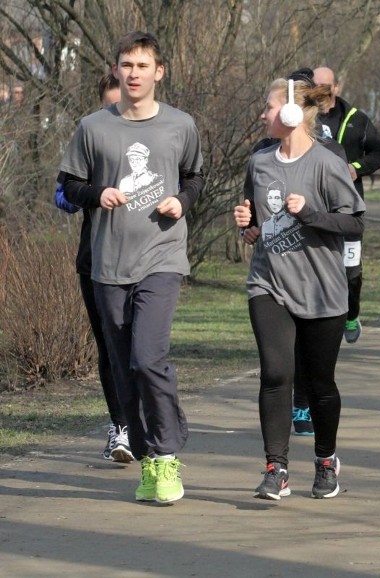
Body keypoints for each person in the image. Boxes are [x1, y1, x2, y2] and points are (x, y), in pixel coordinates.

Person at [59, 31, 204, 504]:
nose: (134, 73)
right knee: (122, 368)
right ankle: (147, 458)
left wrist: (181, 202)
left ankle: (166, 454)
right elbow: (68, 185)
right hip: (107, 262)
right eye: (127, 65)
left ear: (159, 72)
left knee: (147, 356)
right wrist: (94, 194)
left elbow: (194, 178)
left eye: (143, 66)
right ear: (117, 70)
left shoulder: (180, 125)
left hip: (162, 257)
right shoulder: (93, 127)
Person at [234, 75, 365, 501]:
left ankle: (325, 461)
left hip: (322, 290)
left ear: (291, 113)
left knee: (320, 382)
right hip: (269, 283)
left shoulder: (328, 163)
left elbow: (354, 223)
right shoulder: (259, 162)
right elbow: (256, 217)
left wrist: (310, 213)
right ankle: (276, 468)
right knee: (276, 374)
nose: (262, 115)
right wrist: (247, 227)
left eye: (268, 107)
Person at [54, 72, 132, 463]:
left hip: (146, 260)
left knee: (142, 349)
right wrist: (91, 195)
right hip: (96, 258)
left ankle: (145, 422)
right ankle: (120, 429)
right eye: (109, 106)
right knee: (109, 346)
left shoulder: (152, 139)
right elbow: (62, 193)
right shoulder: (87, 140)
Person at [314, 66, 380, 345]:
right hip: (315, 208)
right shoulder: (303, 119)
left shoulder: (356, 119)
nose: (320, 90)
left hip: (349, 208)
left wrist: (356, 168)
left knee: (351, 271)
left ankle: (351, 314)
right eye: (315, 85)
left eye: (325, 85)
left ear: (336, 88)